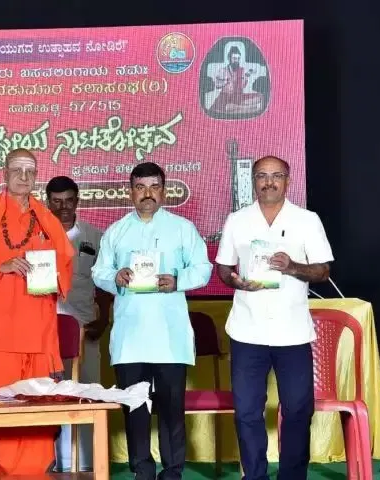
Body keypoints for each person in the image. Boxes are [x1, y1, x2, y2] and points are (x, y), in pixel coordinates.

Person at [0, 148, 75, 475]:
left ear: (36, 177)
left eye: (30, 171)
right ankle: (7, 473)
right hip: (0, 331)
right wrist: (0, 266)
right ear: (4, 173)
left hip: (38, 329)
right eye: (17, 170)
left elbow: (65, 262)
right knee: (5, 407)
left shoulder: (45, 218)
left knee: (39, 408)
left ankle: (35, 473)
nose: (24, 176)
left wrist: (53, 277)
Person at [92, 162, 213, 480]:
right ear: (130, 191)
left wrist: (178, 280)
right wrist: (115, 277)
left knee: (172, 408)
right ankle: (142, 470)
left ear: (164, 190)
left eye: (154, 187)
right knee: (136, 407)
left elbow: (203, 268)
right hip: (130, 337)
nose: (147, 194)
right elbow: (99, 271)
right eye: (140, 187)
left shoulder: (182, 228)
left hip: (169, 336)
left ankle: (172, 471)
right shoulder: (117, 231)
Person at [215, 155, 334, 480]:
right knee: (247, 412)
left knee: (298, 410)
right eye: (262, 176)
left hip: (292, 332)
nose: (269, 182)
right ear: (253, 181)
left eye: (276, 176)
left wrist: (292, 266)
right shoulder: (237, 220)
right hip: (247, 330)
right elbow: (224, 268)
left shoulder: (307, 220)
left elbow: (323, 271)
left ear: (288, 181)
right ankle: (254, 476)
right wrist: (235, 281)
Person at [45, 175, 112, 472]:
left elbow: (105, 285)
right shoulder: (37, 235)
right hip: (46, 333)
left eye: (69, 201)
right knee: (48, 398)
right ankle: (51, 464)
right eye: (56, 202)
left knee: (87, 395)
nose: (63, 207)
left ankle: (86, 464)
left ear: (77, 201)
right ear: (48, 202)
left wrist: (104, 319)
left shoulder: (95, 237)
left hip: (85, 328)